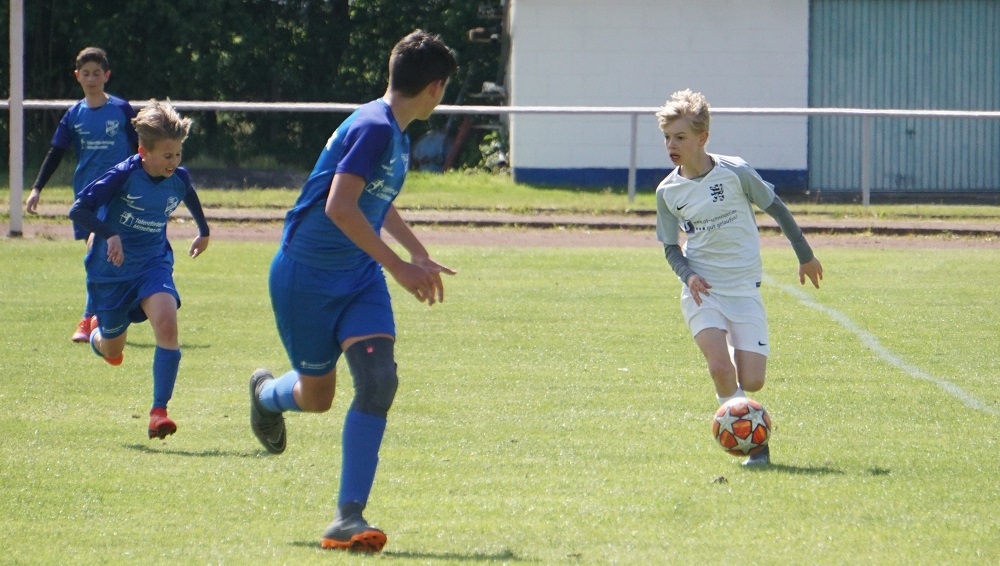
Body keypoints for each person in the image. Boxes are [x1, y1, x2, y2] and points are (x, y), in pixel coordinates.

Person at [248, 30, 458, 553]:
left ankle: (348, 516)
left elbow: (374, 200)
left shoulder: (393, 132)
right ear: (435, 87)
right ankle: (265, 396)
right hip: (306, 279)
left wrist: (416, 252)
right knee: (317, 397)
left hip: (358, 277)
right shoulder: (373, 127)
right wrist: (399, 268)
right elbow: (339, 207)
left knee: (379, 380)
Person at [654, 89, 823, 466]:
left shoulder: (736, 172)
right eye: (666, 137)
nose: (671, 145)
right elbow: (670, 248)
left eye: (679, 137)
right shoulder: (667, 192)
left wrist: (805, 256)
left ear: (702, 137)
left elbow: (777, 209)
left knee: (753, 380)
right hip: (703, 290)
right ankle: (753, 445)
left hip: (744, 290)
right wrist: (688, 276)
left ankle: (736, 369)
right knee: (720, 369)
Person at [68, 99, 210, 440]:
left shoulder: (178, 177)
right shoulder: (123, 175)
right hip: (111, 272)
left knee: (167, 324)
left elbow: (189, 194)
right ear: (143, 152)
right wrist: (109, 234)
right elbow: (78, 210)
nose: (174, 162)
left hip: (152, 264)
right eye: (167, 155)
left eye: (178, 154)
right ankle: (99, 335)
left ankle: (159, 412)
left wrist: (204, 230)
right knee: (113, 349)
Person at [26, 47, 139, 343]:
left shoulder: (122, 109)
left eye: (96, 73)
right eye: (86, 74)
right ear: (77, 76)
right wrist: (37, 188)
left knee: (95, 251)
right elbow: (56, 152)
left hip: (119, 194)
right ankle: (110, 315)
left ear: (107, 76)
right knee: (101, 257)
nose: (91, 79)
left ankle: (89, 319)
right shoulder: (74, 115)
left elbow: (141, 148)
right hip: (87, 196)